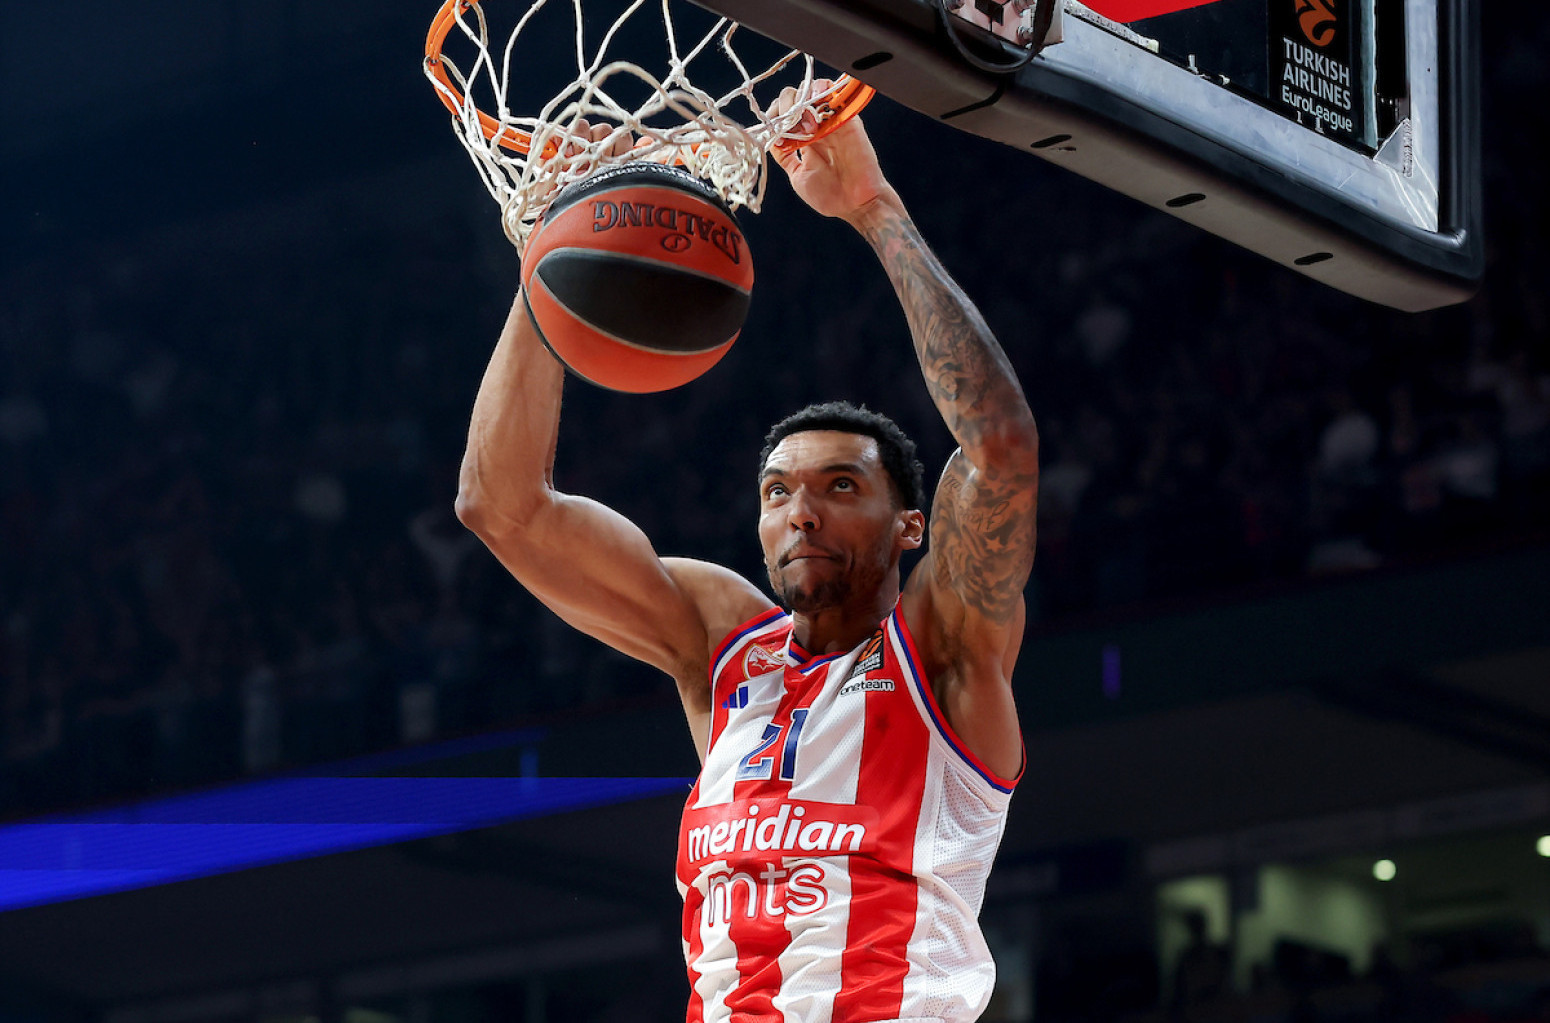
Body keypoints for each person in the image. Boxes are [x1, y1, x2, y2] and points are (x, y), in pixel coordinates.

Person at [455, 90, 1040, 1023]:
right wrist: (551, 263)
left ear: (910, 525)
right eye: (777, 492)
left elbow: (1000, 449)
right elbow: (502, 507)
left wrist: (872, 206)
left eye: (840, 485)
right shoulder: (724, 649)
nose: (801, 512)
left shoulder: (943, 653)